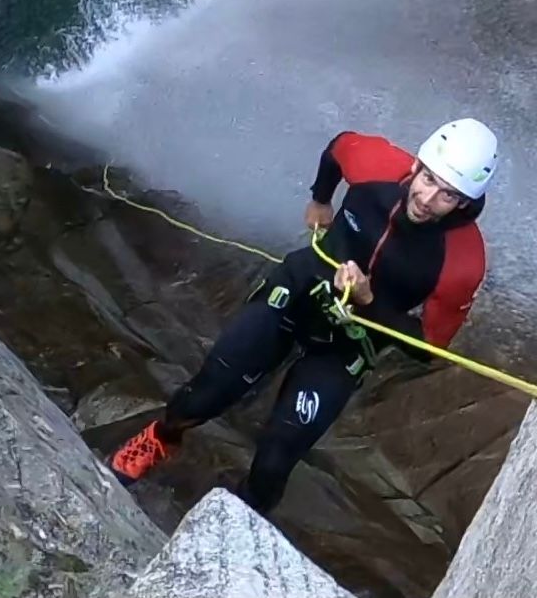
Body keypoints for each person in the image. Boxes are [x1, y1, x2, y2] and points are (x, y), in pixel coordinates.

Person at [106, 117, 499, 513]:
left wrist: (368, 301)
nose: (427, 200)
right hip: (299, 288)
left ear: (464, 203)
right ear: (416, 165)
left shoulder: (462, 259)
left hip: (351, 339)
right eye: (428, 180)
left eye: (447, 195)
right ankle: (163, 435)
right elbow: (337, 148)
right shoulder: (375, 164)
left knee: (280, 454)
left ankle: (239, 518)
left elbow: (430, 346)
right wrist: (320, 199)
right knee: (206, 392)